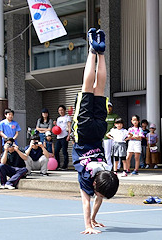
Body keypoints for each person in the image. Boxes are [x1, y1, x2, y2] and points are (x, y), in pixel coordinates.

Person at [71, 28, 119, 234]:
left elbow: (98, 197)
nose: (98, 196)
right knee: (87, 86)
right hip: (82, 133)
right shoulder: (86, 176)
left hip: (99, 130)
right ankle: (92, 51)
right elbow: (87, 202)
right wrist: (88, 224)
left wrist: (93, 219)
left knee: (100, 88)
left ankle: (101, 52)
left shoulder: (106, 173)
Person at [54, 105, 72, 170]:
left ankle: (65, 165)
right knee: (56, 151)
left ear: (64, 110)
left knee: (64, 151)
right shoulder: (58, 119)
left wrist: (69, 135)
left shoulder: (67, 117)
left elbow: (69, 126)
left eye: (62, 110)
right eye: (59, 110)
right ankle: (57, 164)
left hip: (64, 136)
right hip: (58, 137)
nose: (60, 111)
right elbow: (57, 128)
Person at [103, 102, 119, 169]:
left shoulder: (115, 116)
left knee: (116, 152)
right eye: (108, 107)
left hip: (114, 137)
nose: (109, 108)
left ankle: (117, 166)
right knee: (107, 153)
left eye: (110, 107)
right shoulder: (103, 116)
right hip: (106, 137)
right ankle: (109, 166)